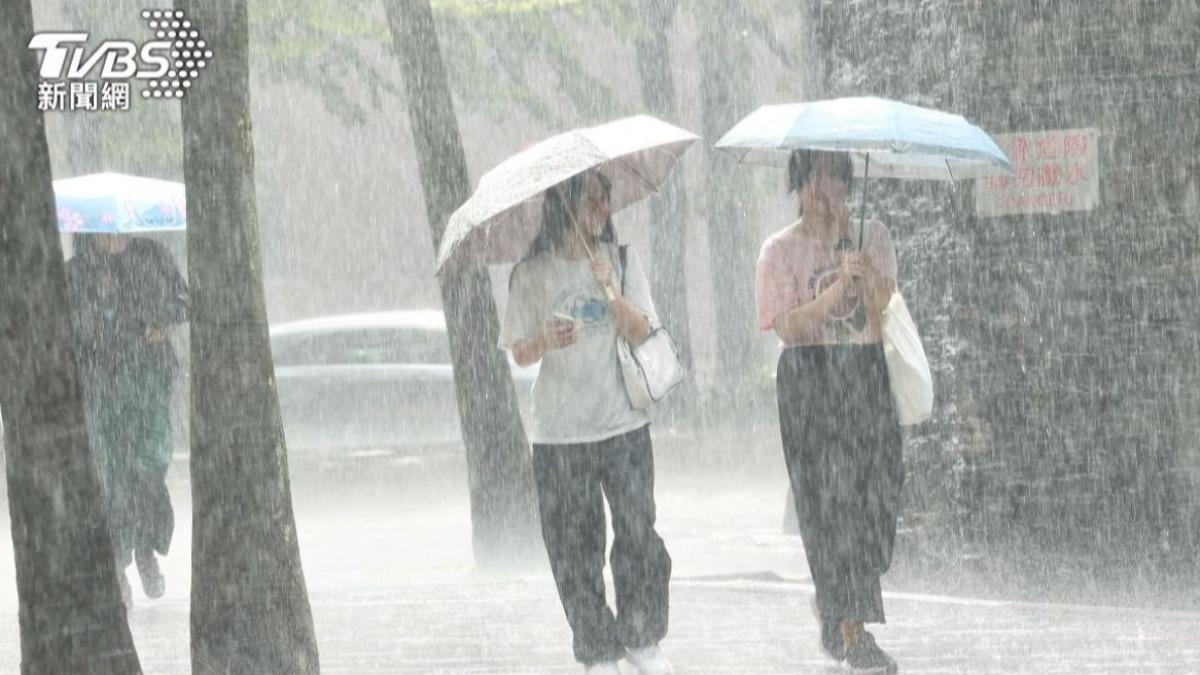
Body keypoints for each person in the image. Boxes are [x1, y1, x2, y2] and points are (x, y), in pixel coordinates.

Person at [500, 170, 674, 675]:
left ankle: (642, 637)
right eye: (591, 199)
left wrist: (612, 291)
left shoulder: (620, 258)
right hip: (560, 433)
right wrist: (546, 342)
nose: (601, 209)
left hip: (623, 423)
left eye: (605, 199)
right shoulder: (531, 273)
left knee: (638, 530)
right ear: (563, 205)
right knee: (574, 546)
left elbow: (644, 331)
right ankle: (597, 648)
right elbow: (520, 351)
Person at [755, 150, 903, 673]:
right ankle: (853, 632)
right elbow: (787, 328)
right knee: (831, 507)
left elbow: (885, 302)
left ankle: (835, 597)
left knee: (879, 494)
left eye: (837, 180)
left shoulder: (871, 235)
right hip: (810, 380)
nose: (828, 191)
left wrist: (863, 277)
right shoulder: (779, 251)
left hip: (864, 374)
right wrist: (835, 291)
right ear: (798, 184)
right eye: (816, 181)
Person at [67, 233, 188, 607]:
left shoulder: (151, 257)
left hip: (149, 379)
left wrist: (161, 322)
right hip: (100, 387)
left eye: (119, 229)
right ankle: (116, 563)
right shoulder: (74, 275)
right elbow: (69, 330)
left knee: (149, 465)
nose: (114, 237)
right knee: (110, 475)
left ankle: (146, 545)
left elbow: (183, 301)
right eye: (105, 232)